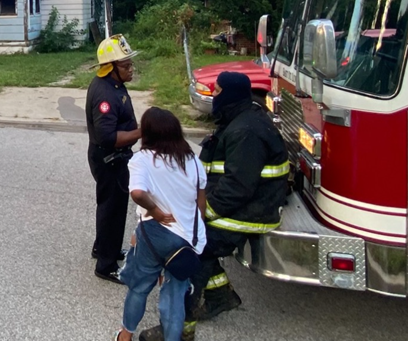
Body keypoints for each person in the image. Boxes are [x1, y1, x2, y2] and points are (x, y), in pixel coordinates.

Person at [146, 71, 288, 341]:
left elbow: (237, 188)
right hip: (246, 206)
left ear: (232, 94)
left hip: (250, 212)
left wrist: (199, 215)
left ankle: (177, 329)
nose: (214, 95)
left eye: (218, 91)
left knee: (187, 250)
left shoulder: (246, 132)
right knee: (201, 248)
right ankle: (220, 296)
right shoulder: (240, 120)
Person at [115, 108, 206, 341]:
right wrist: (195, 231)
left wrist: (155, 211)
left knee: (139, 288)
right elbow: (200, 203)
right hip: (186, 240)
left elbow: (137, 193)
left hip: (155, 235)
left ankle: (125, 336)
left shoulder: (142, 160)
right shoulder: (193, 161)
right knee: (175, 298)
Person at [87, 34, 142, 283]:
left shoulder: (113, 84)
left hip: (114, 157)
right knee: (112, 210)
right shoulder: (106, 95)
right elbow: (107, 136)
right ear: (110, 67)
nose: (131, 69)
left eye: (131, 64)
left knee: (110, 206)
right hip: (110, 158)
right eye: (126, 65)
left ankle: (103, 248)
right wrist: (142, 132)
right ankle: (106, 265)